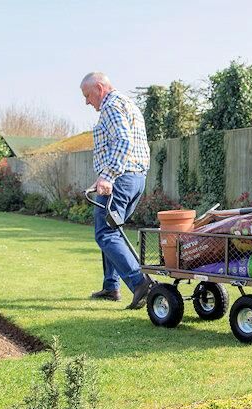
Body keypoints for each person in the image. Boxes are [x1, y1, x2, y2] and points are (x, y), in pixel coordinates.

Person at [80, 72, 154, 309]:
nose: (87, 101)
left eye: (88, 95)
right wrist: (101, 177)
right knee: (113, 230)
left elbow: (123, 141)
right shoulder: (126, 103)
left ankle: (140, 283)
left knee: (105, 233)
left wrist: (109, 175)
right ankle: (111, 286)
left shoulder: (111, 106)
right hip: (135, 178)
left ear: (99, 88)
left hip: (121, 179)